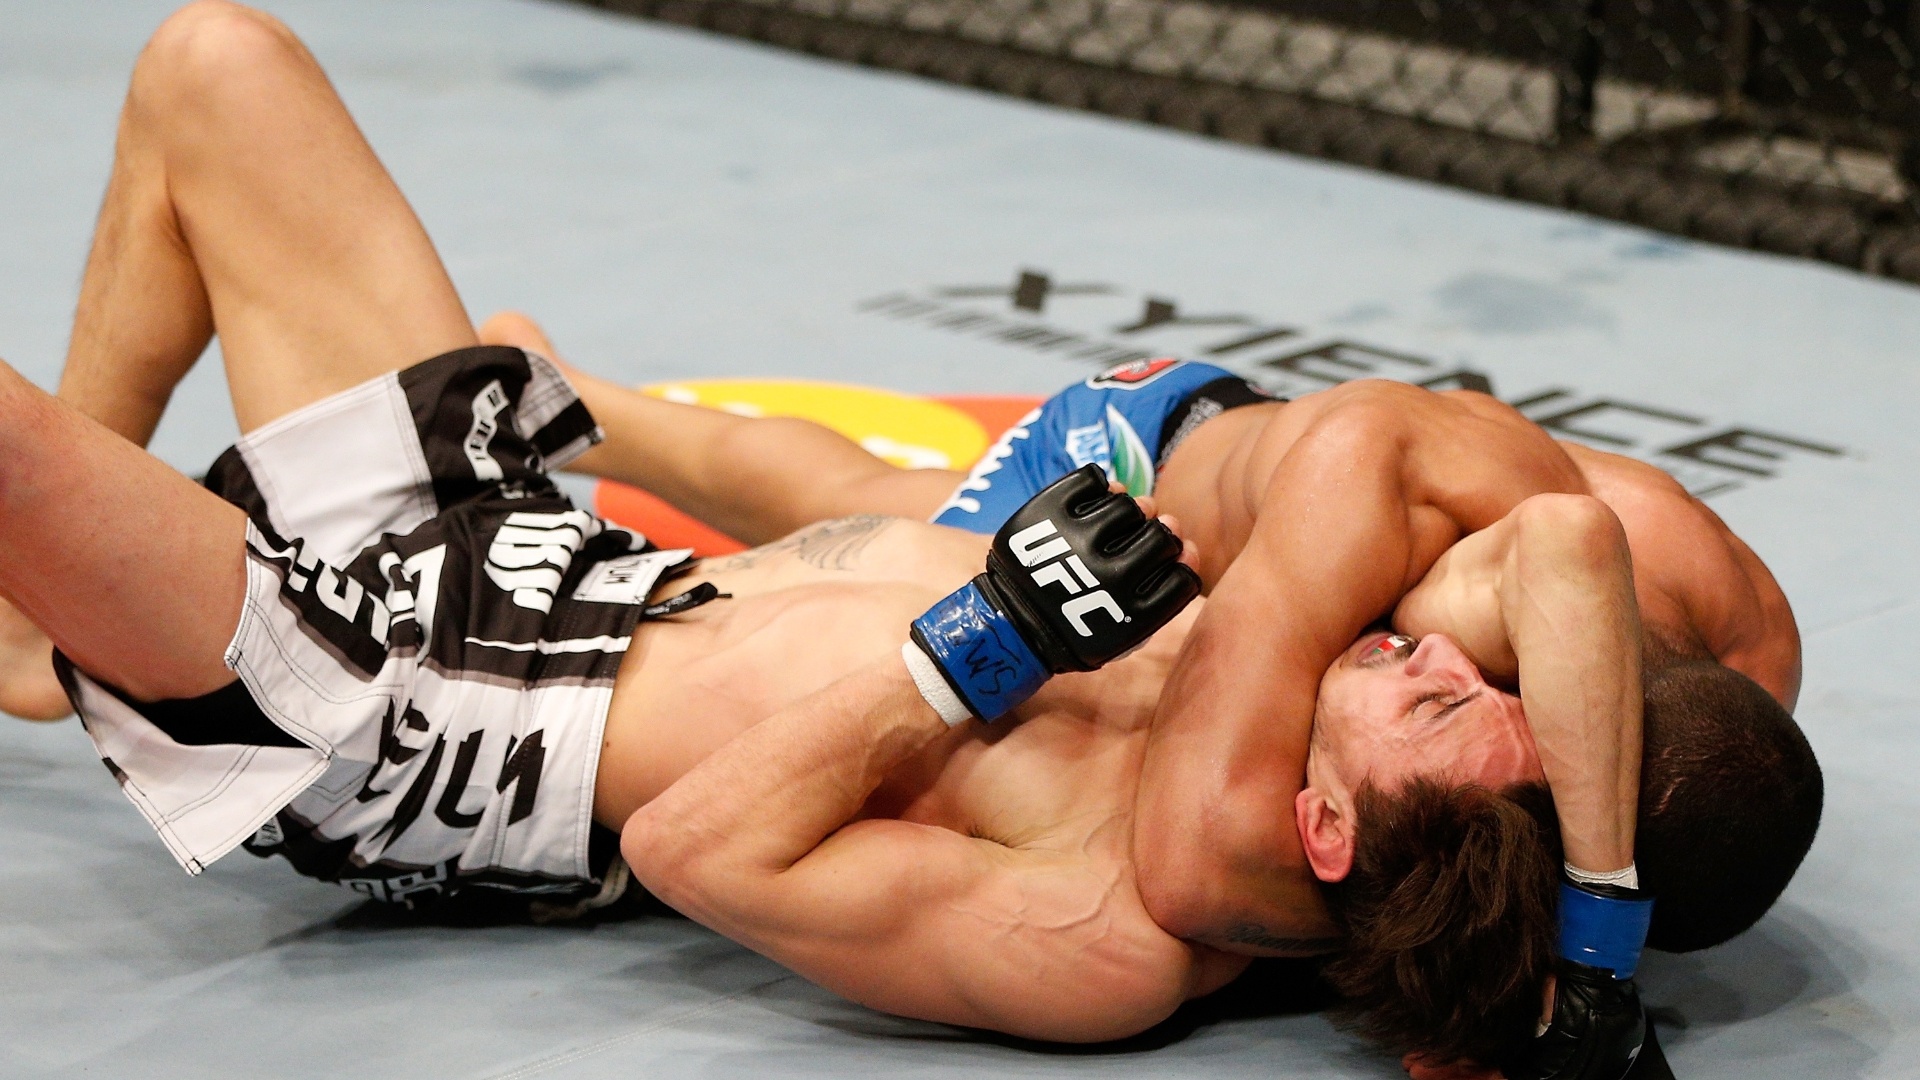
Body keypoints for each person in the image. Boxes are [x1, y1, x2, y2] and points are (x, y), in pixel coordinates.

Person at [0, 0, 1598, 1058]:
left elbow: (700, 856)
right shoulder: (1263, 646)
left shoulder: (1111, 930)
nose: (1434, 651)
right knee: (215, 67)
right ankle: (36, 628)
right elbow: (1572, 556)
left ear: (1326, 832)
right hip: (521, 543)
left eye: (1442, 703)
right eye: (1482, 678)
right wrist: (1599, 918)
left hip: (406, 717)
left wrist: (981, 651)